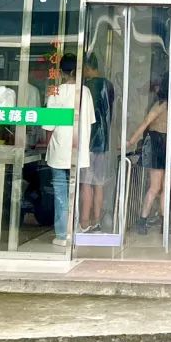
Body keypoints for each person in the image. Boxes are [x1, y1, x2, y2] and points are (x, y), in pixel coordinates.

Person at [44, 53, 96, 247]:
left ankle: (62, 235)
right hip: (79, 150)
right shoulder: (85, 92)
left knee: (60, 193)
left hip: (59, 149)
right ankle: (75, 230)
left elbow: (48, 125)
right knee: (77, 191)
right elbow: (90, 121)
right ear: (77, 70)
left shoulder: (55, 91)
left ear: (61, 72)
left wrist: (47, 145)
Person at [127, 80, 171, 235]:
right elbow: (146, 122)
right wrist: (131, 141)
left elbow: (148, 122)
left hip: (165, 144)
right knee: (158, 187)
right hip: (160, 144)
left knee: (163, 187)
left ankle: (158, 222)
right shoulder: (163, 105)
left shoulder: (168, 106)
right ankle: (146, 221)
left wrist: (131, 141)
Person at [79, 53, 116, 232]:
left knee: (86, 183)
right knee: (99, 183)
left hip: (88, 141)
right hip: (103, 142)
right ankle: (97, 221)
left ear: (87, 67)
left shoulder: (86, 87)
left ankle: (84, 222)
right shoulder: (109, 85)